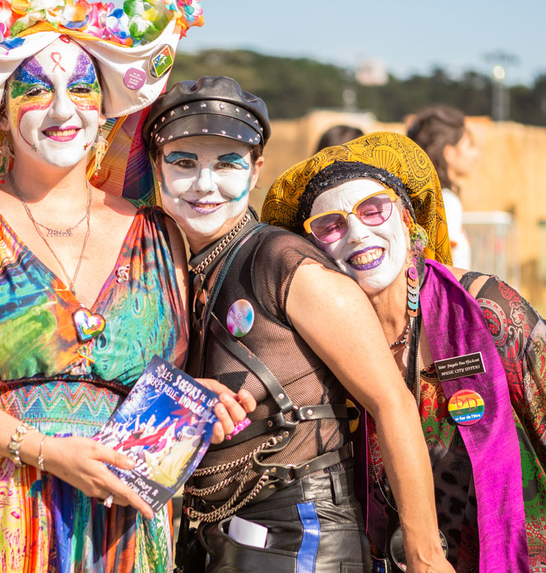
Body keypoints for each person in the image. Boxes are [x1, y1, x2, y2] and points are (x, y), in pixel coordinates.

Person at [0, 0, 254, 572]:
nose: (64, 110)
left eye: (81, 87)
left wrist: (198, 397)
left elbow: (169, 380)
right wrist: (44, 451)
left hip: (128, 531)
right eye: (37, 90)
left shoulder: (161, 233)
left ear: (105, 105)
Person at [143, 76, 455, 573]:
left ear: (256, 169)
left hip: (303, 536)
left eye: (227, 163)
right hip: (217, 540)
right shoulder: (174, 269)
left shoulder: (283, 260)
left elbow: (391, 400)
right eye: (184, 162)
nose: (205, 184)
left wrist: (423, 556)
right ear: (156, 168)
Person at [262, 131, 546, 572]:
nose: (357, 233)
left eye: (373, 210)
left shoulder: (489, 310)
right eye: (331, 225)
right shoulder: (310, 345)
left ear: (408, 220)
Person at [407, 105, 480, 269]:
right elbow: (445, 269)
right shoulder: (446, 202)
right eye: (470, 145)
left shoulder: (423, 199)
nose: (476, 155)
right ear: (449, 154)